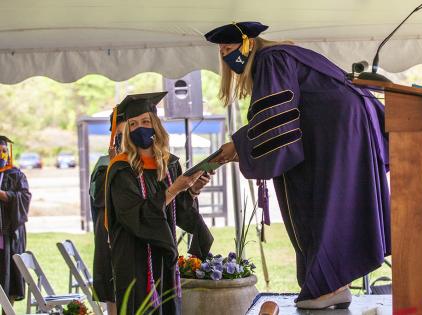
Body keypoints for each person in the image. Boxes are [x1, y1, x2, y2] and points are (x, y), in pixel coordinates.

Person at [205, 22, 391, 309]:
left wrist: (240, 146)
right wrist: (243, 145)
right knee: (337, 202)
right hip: (343, 128)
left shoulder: (271, 58)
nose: (227, 57)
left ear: (248, 45)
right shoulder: (290, 54)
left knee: (316, 201)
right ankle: (335, 285)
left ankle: (325, 287)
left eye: (229, 49)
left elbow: (276, 118)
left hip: (334, 132)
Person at [104, 92, 214, 314]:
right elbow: (134, 216)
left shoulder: (170, 164)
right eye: (133, 124)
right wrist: (175, 189)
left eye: (145, 121)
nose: (140, 128)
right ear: (127, 131)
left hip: (163, 256)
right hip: (135, 258)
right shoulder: (121, 169)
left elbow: (177, 214)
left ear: (155, 125)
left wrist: (191, 190)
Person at [89, 107, 126, 315]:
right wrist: (114, 164)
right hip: (111, 235)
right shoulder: (104, 165)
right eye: (120, 135)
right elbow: (100, 198)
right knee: (114, 292)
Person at [0, 136, 31, 311]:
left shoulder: (16, 174)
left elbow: (25, 197)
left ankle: (7, 311)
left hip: (9, 234)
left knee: (9, 276)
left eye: (4, 151)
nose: (2, 155)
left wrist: (5, 195)